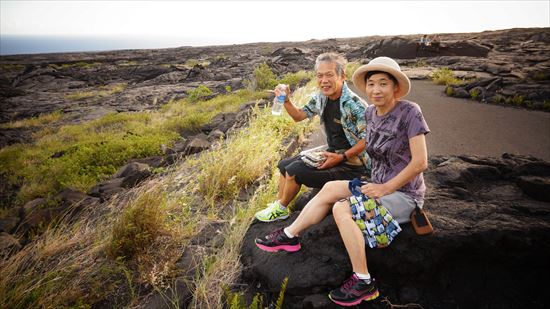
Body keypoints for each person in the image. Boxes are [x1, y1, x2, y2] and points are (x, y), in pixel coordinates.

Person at [255, 56, 430, 306]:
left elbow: (420, 162)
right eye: (371, 84)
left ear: (395, 87)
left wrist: (383, 187)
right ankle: (289, 235)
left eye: (383, 84)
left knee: (341, 207)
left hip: (403, 194)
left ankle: (364, 281)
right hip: (374, 184)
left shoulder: (410, 112)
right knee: (329, 189)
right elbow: (367, 145)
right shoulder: (370, 113)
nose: (376, 90)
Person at [254, 52, 369, 223]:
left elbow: (367, 140)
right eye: (319, 76)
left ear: (342, 75)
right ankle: (280, 207)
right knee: (284, 165)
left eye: (329, 75)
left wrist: (342, 157)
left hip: (353, 164)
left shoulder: (354, 104)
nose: (324, 80)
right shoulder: (321, 97)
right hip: (333, 153)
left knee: (295, 171)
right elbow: (299, 116)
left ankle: (282, 207)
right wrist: (286, 101)